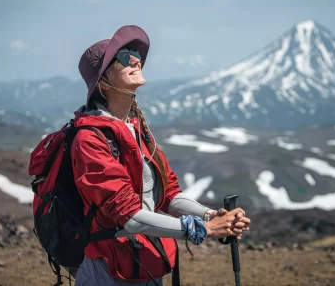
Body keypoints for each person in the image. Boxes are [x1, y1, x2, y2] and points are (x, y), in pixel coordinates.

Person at [71, 25, 251, 286]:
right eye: (122, 57)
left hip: (143, 264)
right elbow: (130, 217)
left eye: (135, 53)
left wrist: (211, 216)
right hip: (108, 272)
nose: (135, 59)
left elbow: (168, 195)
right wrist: (203, 229)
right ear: (103, 81)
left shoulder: (136, 129)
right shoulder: (89, 140)